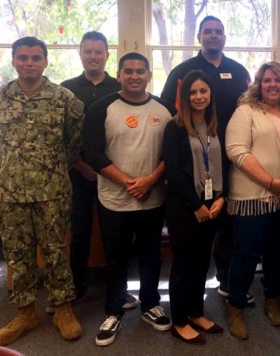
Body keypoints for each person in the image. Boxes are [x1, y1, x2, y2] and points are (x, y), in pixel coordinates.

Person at [0, 36, 83, 345]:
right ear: (13, 60)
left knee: (55, 253)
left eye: (36, 57)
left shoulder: (65, 100)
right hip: (10, 192)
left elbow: (72, 145)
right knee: (17, 255)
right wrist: (16, 166)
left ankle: (62, 308)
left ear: (46, 61)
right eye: (22, 57)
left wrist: (48, 167)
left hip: (52, 191)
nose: (29, 63)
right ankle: (25, 313)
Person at [83, 52, 174, 346]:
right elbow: (93, 153)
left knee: (151, 255)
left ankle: (149, 304)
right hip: (114, 200)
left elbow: (170, 155)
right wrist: (128, 182)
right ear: (119, 74)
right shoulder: (102, 108)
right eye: (128, 71)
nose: (134, 76)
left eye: (140, 71)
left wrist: (149, 181)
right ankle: (113, 311)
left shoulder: (163, 110)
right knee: (116, 257)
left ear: (149, 75)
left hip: (153, 198)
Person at [161, 15, 253, 304]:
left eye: (219, 32)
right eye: (208, 32)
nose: (214, 36)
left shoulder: (238, 71)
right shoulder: (183, 70)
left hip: (228, 158)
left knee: (226, 228)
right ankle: (186, 303)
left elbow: (252, 108)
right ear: (199, 37)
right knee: (190, 244)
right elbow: (166, 110)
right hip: (189, 160)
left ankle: (225, 283)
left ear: (225, 37)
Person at [59, 31, 138, 312]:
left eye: (98, 52)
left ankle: (117, 290)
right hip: (77, 174)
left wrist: (106, 171)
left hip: (113, 174)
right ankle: (76, 287)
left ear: (107, 55)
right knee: (79, 232)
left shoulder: (119, 88)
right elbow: (61, 135)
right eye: (88, 51)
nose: (93, 56)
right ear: (80, 53)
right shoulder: (65, 89)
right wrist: (81, 166)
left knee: (114, 234)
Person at [224, 61, 280, 340]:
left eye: (278, 80)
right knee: (245, 254)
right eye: (267, 80)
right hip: (252, 197)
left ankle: (272, 299)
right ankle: (236, 307)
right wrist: (270, 183)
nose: (272, 85)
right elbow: (236, 151)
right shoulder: (246, 111)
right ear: (258, 84)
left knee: (276, 253)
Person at [163, 70, 227, 345]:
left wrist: (222, 198)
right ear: (184, 96)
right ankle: (178, 320)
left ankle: (195, 312)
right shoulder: (174, 127)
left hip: (213, 204)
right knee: (183, 264)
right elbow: (174, 172)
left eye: (203, 91)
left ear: (210, 94)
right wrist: (196, 205)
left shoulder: (217, 125)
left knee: (203, 262)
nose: (199, 97)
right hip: (184, 206)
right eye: (193, 92)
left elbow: (227, 165)